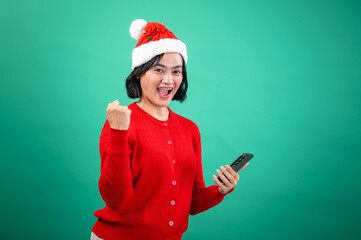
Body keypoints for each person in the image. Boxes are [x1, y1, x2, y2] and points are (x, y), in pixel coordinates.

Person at [91, 19, 248, 240]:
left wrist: (221, 190)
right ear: (139, 73)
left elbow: (192, 201)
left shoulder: (189, 129)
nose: (169, 80)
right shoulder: (119, 121)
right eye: (158, 70)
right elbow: (116, 200)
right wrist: (118, 133)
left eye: (176, 71)